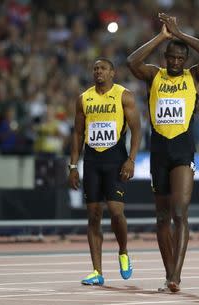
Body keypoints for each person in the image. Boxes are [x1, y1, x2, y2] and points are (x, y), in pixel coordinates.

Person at [127, 13, 199, 292]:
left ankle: (176, 275)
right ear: (166, 57)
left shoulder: (194, 77)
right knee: (162, 217)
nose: (176, 62)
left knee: (180, 213)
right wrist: (162, 37)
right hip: (158, 150)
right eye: (172, 57)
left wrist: (179, 33)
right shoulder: (154, 74)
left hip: (182, 148)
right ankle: (168, 273)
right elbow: (132, 62)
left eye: (180, 58)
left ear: (186, 61)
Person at [69, 58, 141, 285]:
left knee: (116, 211)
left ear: (112, 72)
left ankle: (123, 251)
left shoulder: (124, 95)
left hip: (115, 160)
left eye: (103, 68)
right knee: (93, 215)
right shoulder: (84, 98)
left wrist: (131, 159)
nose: (98, 71)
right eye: (95, 68)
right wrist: (73, 166)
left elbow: (137, 130)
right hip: (91, 160)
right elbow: (78, 134)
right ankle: (96, 271)